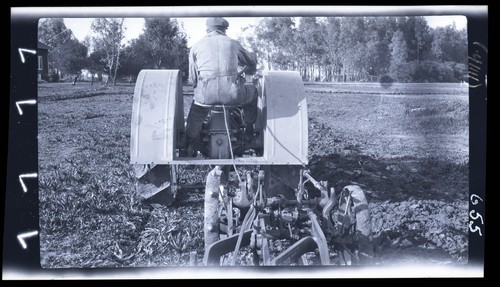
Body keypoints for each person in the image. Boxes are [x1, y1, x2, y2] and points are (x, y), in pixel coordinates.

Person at [184, 17, 259, 157]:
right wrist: (253, 57)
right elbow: (250, 60)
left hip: (205, 96)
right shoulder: (233, 43)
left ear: (207, 29)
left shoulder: (196, 46)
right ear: (224, 29)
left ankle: (193, 143)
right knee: (253, 92)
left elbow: (193, 79)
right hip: (232, 96)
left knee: (196, 114)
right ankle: (249, 129)